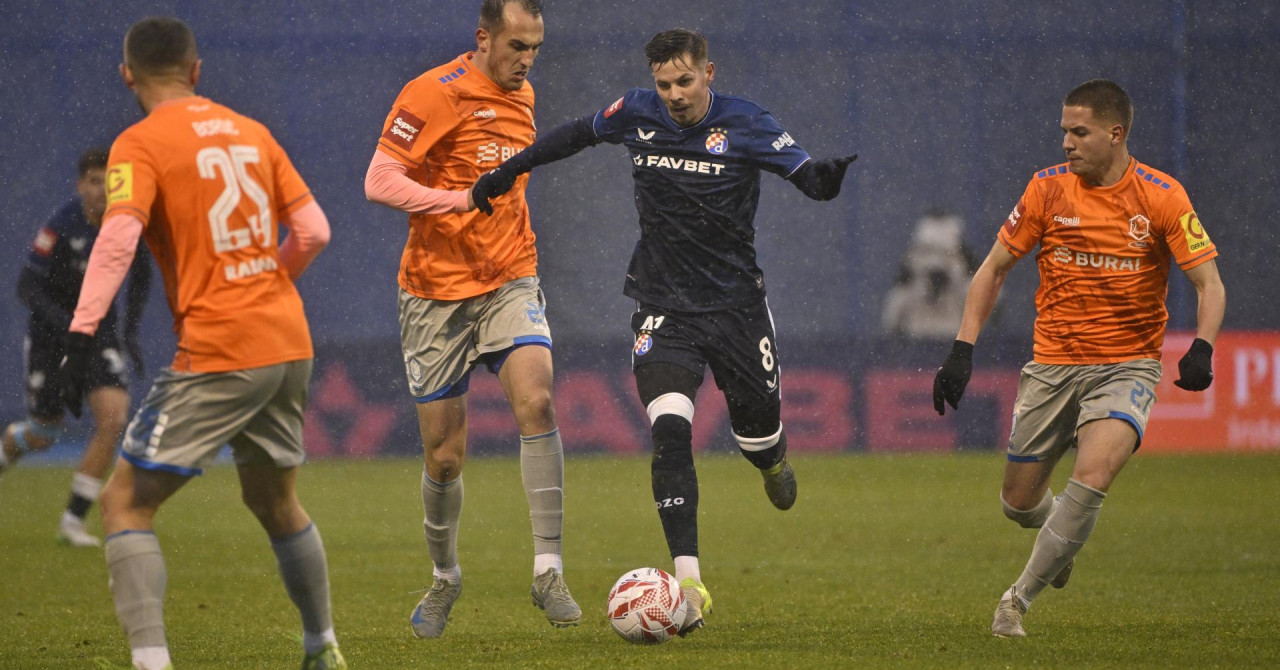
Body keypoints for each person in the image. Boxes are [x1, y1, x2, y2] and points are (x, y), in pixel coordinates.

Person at [470, 28, 857, 636]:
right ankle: (690, 582)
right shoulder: (636, 111)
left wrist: (823, 181)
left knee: (758, 440)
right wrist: (510, 170)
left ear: (708, 73)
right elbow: (577, 134)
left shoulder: (746, 122)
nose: (674, 94)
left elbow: (805, 173)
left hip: (736, 310)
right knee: (670, 432)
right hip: (662, 307)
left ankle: (771, 459)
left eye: (684, 81)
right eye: (664, 84)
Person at [58, 17, 345, 669]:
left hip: (221, 347)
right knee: (275, 501)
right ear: (195, 71)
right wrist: (268, 283)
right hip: (287, 341)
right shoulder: (252, 131)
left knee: (124, 502)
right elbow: (314, 230)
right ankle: (321, 646)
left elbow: (119, 238)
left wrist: (81, 328)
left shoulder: (138, 143)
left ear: (128, 76)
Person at [931, 79, 1225, 638]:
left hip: (1127, 365)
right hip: (1053, 365)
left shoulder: (1163, 196)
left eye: (1079, 132)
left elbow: (1209, 283)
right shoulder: (1046, 190)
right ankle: (1056, 541)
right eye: (1064, 131)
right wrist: (962, 348)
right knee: (1018, 503)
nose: (1066, 142)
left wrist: (1203, 345)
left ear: (1115, 133)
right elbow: (993, 269)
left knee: (1094, 475)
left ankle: (1015, 601)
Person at [363, 0, 581, 638]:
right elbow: (379, 180)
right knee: (445, 457)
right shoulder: (433, 92)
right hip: (435, 293)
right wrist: (458, 199)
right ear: (484, 38)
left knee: (538, 401)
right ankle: (444, 578)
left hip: (510, 277)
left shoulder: (523, 95)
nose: (527, 60)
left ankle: (548, 571)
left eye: (536, 48)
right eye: (517, 46)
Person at [0, 148, 150, 547]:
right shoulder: (62, 225)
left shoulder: (124, 223)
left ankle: (72, 522)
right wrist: (68, 325)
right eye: (94, 181)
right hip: (51, 336)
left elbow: (142, 273)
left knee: (113, 417)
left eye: (109, 181)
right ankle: (7, 449)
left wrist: (131, 332)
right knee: (43, 432)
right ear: (80, 184)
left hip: (98, 334)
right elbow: (26, 287)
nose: (102, 190)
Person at [880, 208, 978, 339]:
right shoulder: (906, 293)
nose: (935, 263)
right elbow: (890, 322)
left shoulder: (966, 290)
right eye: (927, 252)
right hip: (915, 345)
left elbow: (992, 309)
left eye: (946, 254)